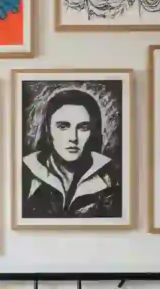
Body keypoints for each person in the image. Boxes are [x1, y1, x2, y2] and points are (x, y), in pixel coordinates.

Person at [21, 88, 121, 219]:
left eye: (83, 127)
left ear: (93, 132)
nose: (73, 138)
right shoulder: (26, 176)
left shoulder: (112, 180)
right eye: (63, 126)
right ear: (48, 129)